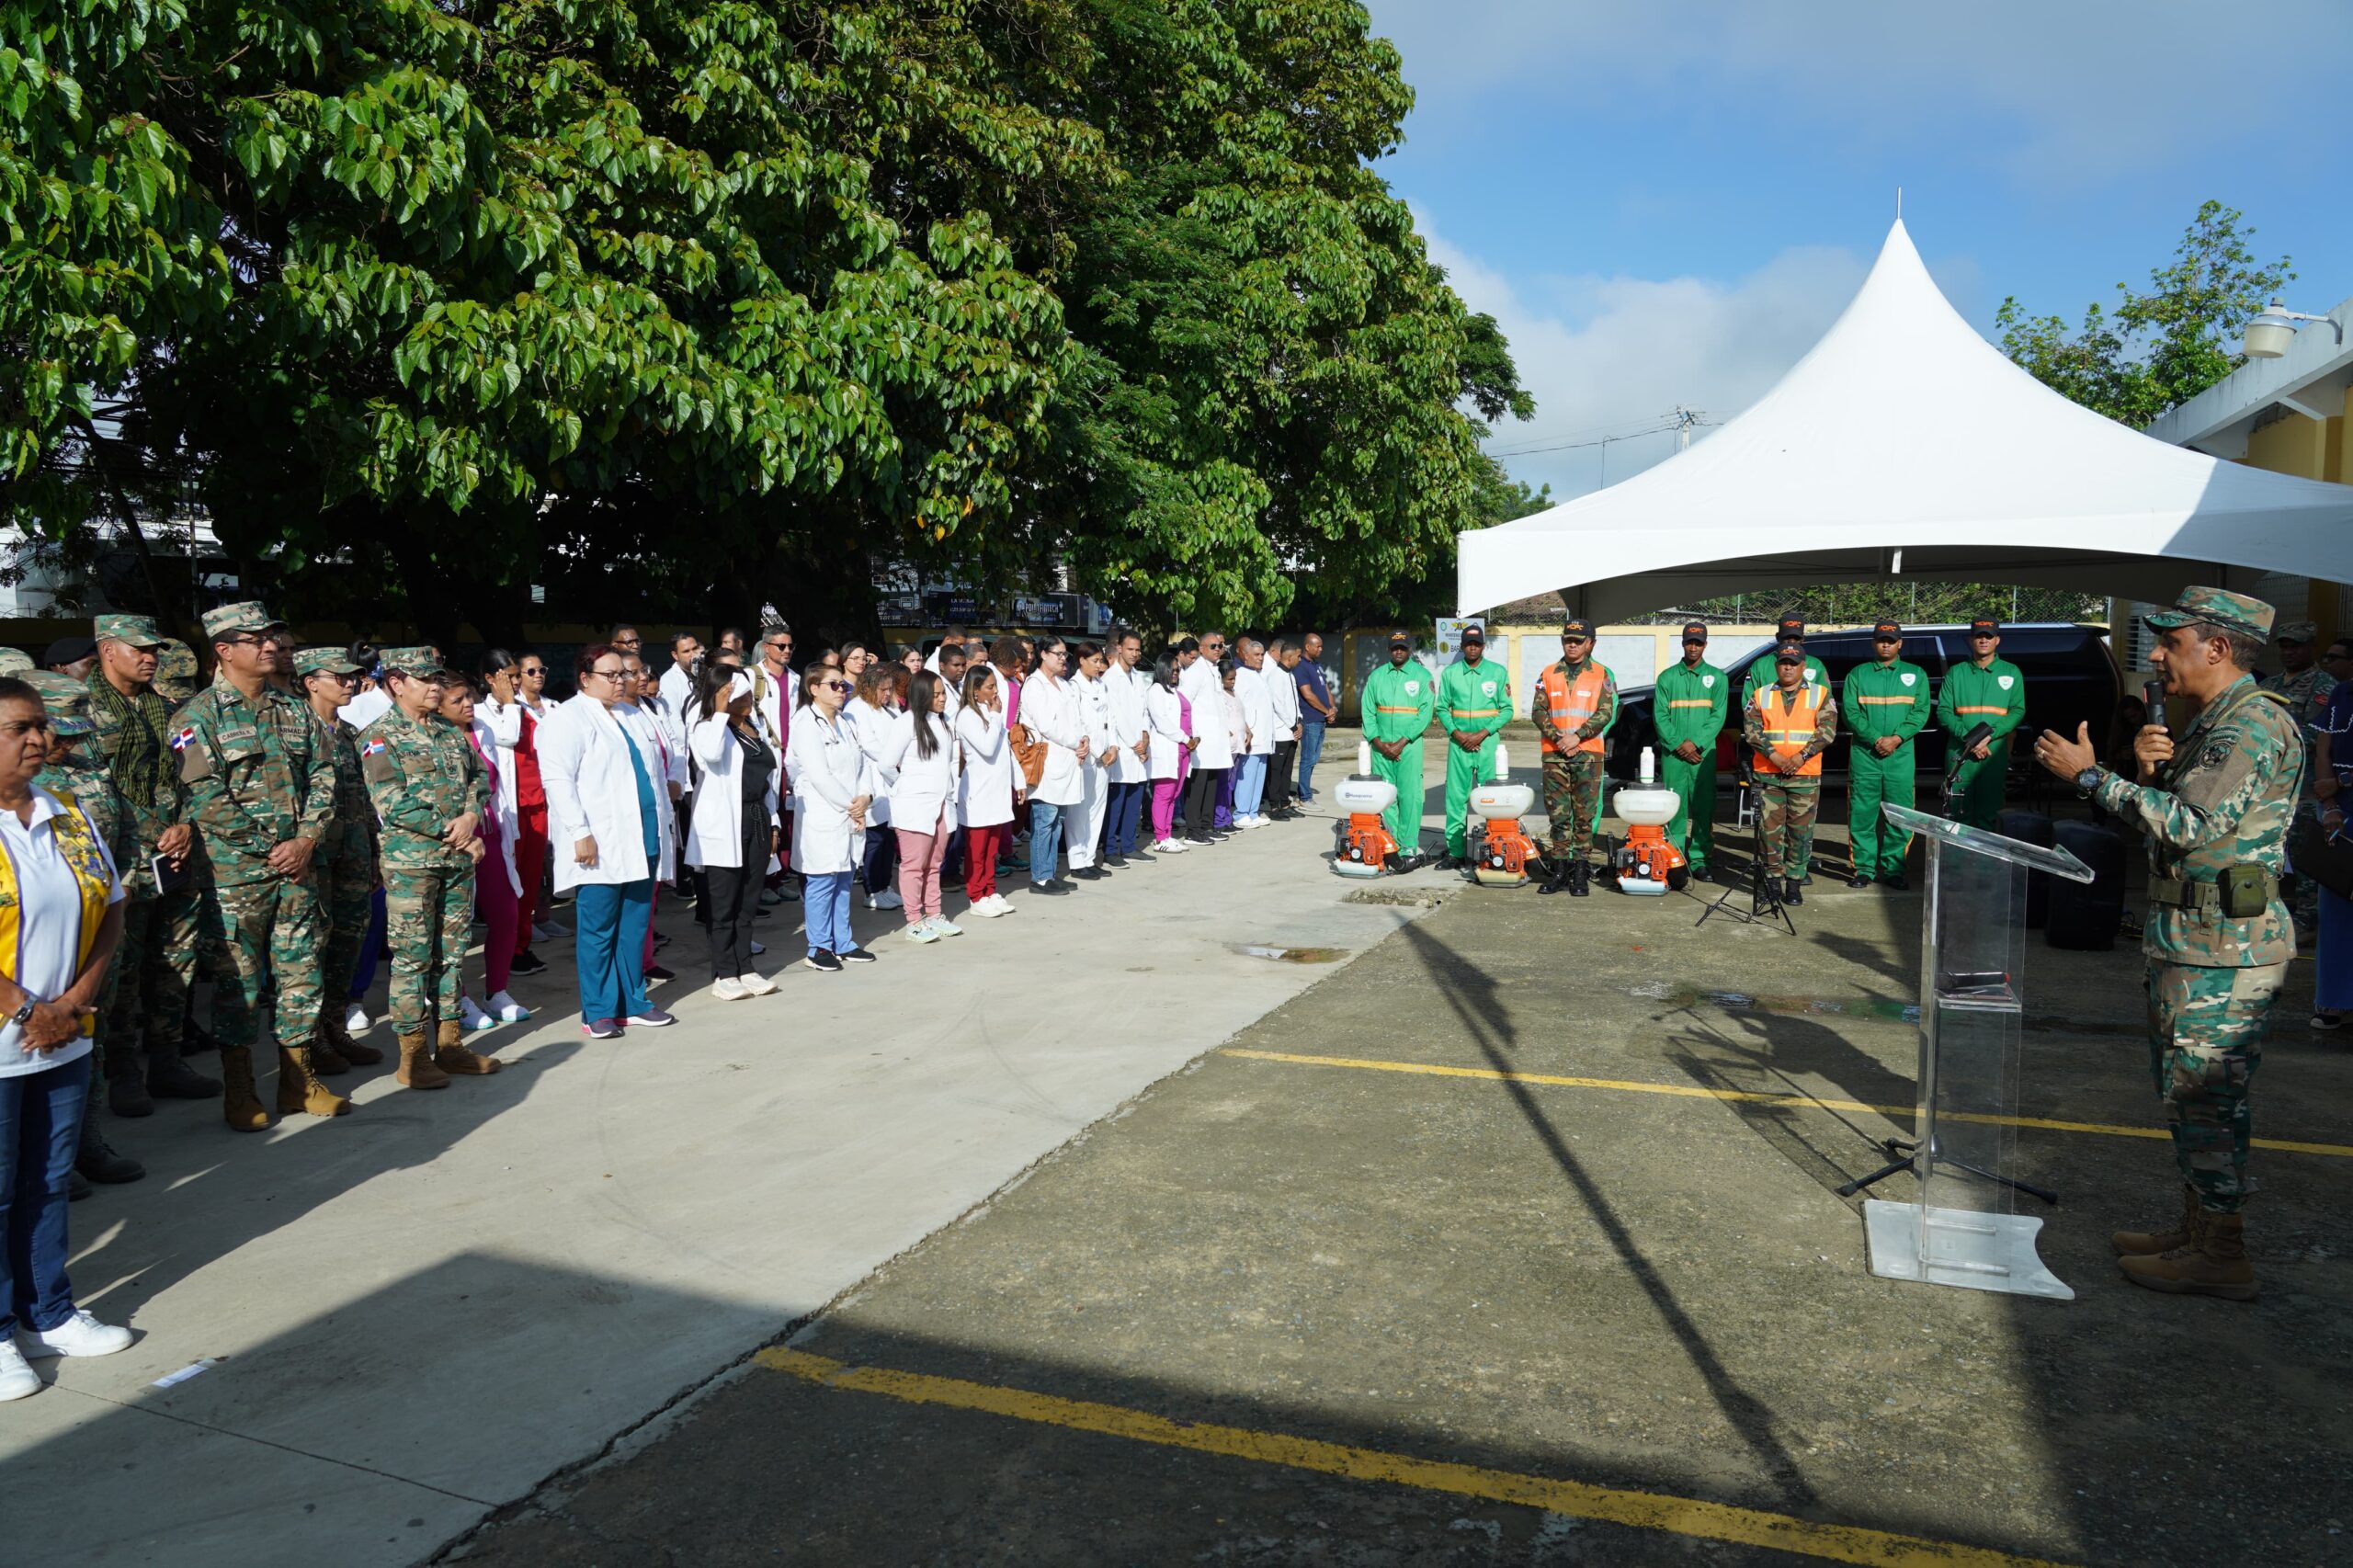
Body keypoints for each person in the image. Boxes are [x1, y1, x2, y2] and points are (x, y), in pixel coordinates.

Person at [2031, 587, 2300, 1301]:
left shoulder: (2253, 725)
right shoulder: (2216, 722)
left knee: (2208, 1101)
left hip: (2225, 951)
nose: (2154, 655)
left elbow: (2189, 827)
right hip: (2193, 941)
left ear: (2219, 648)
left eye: (2170, 643)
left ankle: (2222, 1253)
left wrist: (2092, 778)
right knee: (2185, 1097)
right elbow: (2174, 826)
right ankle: (2198, 1229)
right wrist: (2150, 774)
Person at [0, 675, 135, 1402]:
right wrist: (26, 1010)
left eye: (40, 725)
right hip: (11, 1037)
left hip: (64, 1036)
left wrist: (75, 1001)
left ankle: (46, 1314)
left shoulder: (67, 813)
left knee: (47, 1182)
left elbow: (111, 908)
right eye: (20, 727)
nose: (39, 739)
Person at [177, 603, 343, 1128]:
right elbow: (203, 795)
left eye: (272, 637)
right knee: (238, 986)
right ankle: (241, 1090)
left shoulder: (294, 709)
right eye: (256, 639)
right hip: (236, 877)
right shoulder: (196, 717)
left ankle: (298, 1082)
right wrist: (274, 847)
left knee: (302, 976)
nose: (270, 646)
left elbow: (324, 774)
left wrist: (307, 838)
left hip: (298, 869)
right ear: (224, 650)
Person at [83, 612, 213, 1117]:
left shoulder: (170, 709)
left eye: (153, 648)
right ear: (107, 649)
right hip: (124, 859)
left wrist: (184, 824)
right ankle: (122, 1071)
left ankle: (167, 1060)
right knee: (123, 970)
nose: (150, 657)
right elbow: (93, 788)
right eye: (138, 648)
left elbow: (195, 772)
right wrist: (154, 828)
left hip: (177, 854)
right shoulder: (84, 710)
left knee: (175, 962)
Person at [358, 649, 505, 1085]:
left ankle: (451, 1044)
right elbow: (391, 800)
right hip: (412, 865)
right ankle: (413, 1056)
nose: (435, 688)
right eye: (424, 680)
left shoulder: (447, 730)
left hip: (455, 861)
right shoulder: (379, 736)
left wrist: (471, 816)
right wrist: (453, 830)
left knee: (452, 955)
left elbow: (479, 777)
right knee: (412, 960)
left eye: (437, 680)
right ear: (397, 683)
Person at [27, 674, 142, 1196]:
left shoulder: (89, 769)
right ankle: (44, 1157)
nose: (66, 743)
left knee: (87, 1036)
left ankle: (85, 1142)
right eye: (58, 733)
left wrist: (127, 884)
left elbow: (125, 832)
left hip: (95, 935)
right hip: (30, 948)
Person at [539, 644, 676, 1038]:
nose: (621, 681)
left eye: (624, 674)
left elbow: (653, 774)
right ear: (585, 678)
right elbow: (558, 781)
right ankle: (597, 1010)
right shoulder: (566, 719)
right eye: (611, 675)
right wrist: (579, 832)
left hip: (644, 836)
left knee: (634, 926)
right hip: (600, 841)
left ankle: (633, 1002)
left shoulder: (634, 714)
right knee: (599, 929)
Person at [291, 647, 387, 1073]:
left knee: (347, 946)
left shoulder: (349, 732)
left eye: (352, 677)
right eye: (340, 677)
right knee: (311, 950)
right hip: (314, 859)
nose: (350, 683)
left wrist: (374, 852)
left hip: (353, 855)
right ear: (311, 682)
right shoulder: (293, 730)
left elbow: (365, 797)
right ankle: (310, 1041)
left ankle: (334, 1030)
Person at [684, 667, 780, 999]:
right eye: (738, 694)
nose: (747, 699)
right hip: (724, 823)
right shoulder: (707, 728)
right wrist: (720, 711)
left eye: (749, 693)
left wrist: (774, 821)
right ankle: (724, 973)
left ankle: (746, 967)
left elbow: (767, 779)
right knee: (724, 902)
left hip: (756, 816)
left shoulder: (755, 728)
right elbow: (710, 756)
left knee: (748, 900)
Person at [447, 676, 529, 1028]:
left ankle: (496, 992)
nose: (469, 704)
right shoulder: (432, 738)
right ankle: (458, 998)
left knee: (506, 914)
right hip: (453, 839)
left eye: (469, 696)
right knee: (456, 926)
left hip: (491, 832)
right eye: (458, 700)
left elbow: (496, 783)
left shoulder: (483, 730)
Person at [788, 660, 876, 968]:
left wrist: (865, 796)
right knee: (822, 881)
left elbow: (862, 763)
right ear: (814, 688)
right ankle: (819, 947)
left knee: (844, 880)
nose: (842, 690)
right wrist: (852, 806)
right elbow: (819, 775)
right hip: (824, 812)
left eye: (845, 685)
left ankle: (844, 942)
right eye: (834, 685)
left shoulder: (846, 721)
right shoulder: (805, 723)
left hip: (851, 812)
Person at [1744, 642, 1837, 905]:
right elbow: (1752, 730)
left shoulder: (1820, 694)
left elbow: (1827, 731)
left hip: (1804, 775)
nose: (1788, 667)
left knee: (1801, 833)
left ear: (1803, 667)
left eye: (1793, 664)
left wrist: (1800, 756)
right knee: (1769, 833)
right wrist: (1774, 756)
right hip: (1768, 775)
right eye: (1784, 662)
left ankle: (1794, 883)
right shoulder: (1760, 694)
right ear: (1776, 666)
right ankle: (1772, 882)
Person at [1842, 619, 1931, 890]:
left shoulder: (1916, 674)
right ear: (1874, 643)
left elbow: (1921, 712)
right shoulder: (1858, 674)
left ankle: (1894, 870)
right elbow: (1850, 712)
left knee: (1900, 814)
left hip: (1899, 757)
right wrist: (1875, 738)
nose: (1885, 645)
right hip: (1865, 755)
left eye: (1891, 641)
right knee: (1862, 813)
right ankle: (1864, 869)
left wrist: (1896, 738)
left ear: (1899, 644)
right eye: (1881, 640)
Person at [1532, 619, 1615, 895]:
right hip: (1554, 754)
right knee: (1558, 815)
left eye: (1578, 641)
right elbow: (1538, 712)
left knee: (1583, 816)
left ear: (1590, 643)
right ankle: (1559, 870)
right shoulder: (1548, 673)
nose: (1572, 645)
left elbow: (1606, 712)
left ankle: (1580, 872)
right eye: (1568, 640)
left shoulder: (1601, 674)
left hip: (1587, 754)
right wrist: (1559, 738)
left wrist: (1577, 736)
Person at [483, 649, 554, 972]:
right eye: (508, 677)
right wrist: (510, 703)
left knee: (529, 879)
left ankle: (522, 945)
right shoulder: (481, 713)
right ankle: (509, 949)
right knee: (510, 885)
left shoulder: (528, 710)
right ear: (490, 679)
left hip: (536, 804)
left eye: (516, 676)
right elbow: (508, 736)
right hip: (508, 809)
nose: (514, 682)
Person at [881, 670, 961, 939]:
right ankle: (914, 921)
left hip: (942, 804)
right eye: (936, 694)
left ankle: (934, 914)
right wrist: (906, 787)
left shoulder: (944, 722)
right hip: (915, 806)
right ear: (922, 695)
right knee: (914, 866)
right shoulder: (906, 723)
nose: (942, 699)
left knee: (934, 864)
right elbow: (886, 765)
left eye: (943, 693)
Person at [1653, 622, 1728, 885]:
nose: (1693, 647)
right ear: (1682, 643)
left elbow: (1718, 716)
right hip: (1674, 755)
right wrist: (1678, 745)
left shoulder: (1717, 678)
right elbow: (1660, 716)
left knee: (1703, 808)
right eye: (1689, 642)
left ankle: (1700, 860)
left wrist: (1695, 743)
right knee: (1674, 808)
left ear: (1705, 645)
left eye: (1698, 643)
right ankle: (1674, 860)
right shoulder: (1667, 678)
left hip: (1703, 755)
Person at [1937, 615, 2024, 829]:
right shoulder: (1956, 673)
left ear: (1997, 640)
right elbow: (1944, 711)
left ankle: (1987, 852)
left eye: (1989, 636)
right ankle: (1957, 852)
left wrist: (1989, 735)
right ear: (1971, 640)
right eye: (1978, 636)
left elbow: (2017, 710)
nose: (1983, 640)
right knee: (1957, 814)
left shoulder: (2011, 672)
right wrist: (1971, 740)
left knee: (1990, 814)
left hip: (1993, 753)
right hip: (1960, 754)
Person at [1435, 624, 1511, 869]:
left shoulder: (1497, 672)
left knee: (1492, 799)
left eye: (1477, 644)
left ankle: (1493, 850)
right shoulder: (1451, 673)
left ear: (1483, 646)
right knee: (1455, 799)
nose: (1473, 648)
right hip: (1459, 745)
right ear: (1462, 646)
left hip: (1487, 744)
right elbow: (1441, 708)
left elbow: (1507, 709)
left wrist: (1481, 734)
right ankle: (1456, 852)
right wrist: (1457, 733)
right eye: (1468, 644)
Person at [1359, 631, 1435, 869]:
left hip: (1409, 746)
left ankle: (1408, 845)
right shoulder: (1377, 676)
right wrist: (1377, 741)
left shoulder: (1422, 676)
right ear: (1388, 650)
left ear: (1409, 649)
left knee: (1410, 796)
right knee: (1386, 797)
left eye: (1402, 647)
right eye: (1394, 648)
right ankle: (1391, 843)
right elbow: (1368, 711)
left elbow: (1425, 714)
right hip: (1381, 748)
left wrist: (1402, 742)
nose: (1398, 651)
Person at [1017, 636, 1086, 894]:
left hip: (1068, 760)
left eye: (1065, 654)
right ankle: (1040, 878)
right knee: (1044, 819)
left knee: (1058, 821)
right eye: (1058, 653)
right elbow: (1047, 725)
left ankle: (1051, 872)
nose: (1062, 659)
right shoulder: (1034, 685)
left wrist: (1084, 739)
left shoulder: (1064, 685)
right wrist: (1076, 742)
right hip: (1048, 761)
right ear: (1043, 654)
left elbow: (1078, 718)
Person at [957, 665, 1021, 913]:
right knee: (977, 848)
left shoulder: (991, 714)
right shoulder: (967, 716)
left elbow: (1005, 750)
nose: (995, 691)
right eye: (990, 687)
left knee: (992, 847)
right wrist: (996, 716)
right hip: (979, 791)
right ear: (975, 690)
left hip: (998, 790)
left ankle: (989, 889)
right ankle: (975, 895)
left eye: (995, 686)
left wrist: (1019, 781)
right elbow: (987, 746)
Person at [846, 664, 904, 911]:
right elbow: (868, 743)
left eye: (890, 689)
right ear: (869, 688)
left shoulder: (888, 709)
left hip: (890, 778)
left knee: (888, 838)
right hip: (872, 778)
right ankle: (871, 890)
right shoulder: (856, 708)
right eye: (883, 690)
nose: (888, 694)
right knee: (875, 839)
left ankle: (884, 886)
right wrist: (895, 760)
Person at [1098, 629, 1150, 866]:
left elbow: (1144, 711)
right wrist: (1135, 744)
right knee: (1116, 802)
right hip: (1122, 747)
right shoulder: (1110, 678)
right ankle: (1110, 851)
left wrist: (1145, 736)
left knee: (1134, 800)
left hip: (1139, 749)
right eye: (1130, 649)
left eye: (1138, 650)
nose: (1134, 654)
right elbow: (1115, 716)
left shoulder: (1138, 677)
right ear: (1119, 648)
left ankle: (1129, 846)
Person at [1064, 643, 1115, 878]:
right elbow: (1079, 723)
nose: (1098, 665)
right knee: (1080, 811)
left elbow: (1110, 718)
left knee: (1097, 809)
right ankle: (1077, 861)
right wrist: (1097, 752)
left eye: (1100, 661)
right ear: (1081, 660)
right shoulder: (1073, 687)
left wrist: (1113, 745)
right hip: (1087, 756)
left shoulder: (1101, 685)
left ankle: (1089, 857)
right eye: (1094, 661)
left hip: (1105, 756)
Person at [1176, 632, 1233, 843]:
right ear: (1201, 649)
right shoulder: (1196, 671)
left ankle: (1207, 825)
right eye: (1213, 646)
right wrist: (1191, 733)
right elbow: (1184, 702)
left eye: (1220, 646)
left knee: (1211, 783)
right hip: (1201, 739)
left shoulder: (1214, 670)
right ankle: (1193, 829)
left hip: (1215, 738)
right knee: (1198, 784)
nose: (1218, 649)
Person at [1143, 652, 1192, 855]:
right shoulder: (1155, 691)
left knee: (1173, 795)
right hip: (1168, 747)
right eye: (1171, 670)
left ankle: (1167, 833)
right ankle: (1160, 837)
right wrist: (1185, 738)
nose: (1175, 673)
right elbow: (1162, 721)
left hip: (1181, 749)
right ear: (1162, 669)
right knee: (1163, 795)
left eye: (1177, 670)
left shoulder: (1174, 690)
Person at [1231, 640, 1279, 829]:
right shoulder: (1241, 675)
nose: (1260, 658)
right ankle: (1241, 813)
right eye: (1256, 655)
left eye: (1262, 654)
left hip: (1264, 736)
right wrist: (1246, 729)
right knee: (1247, 776)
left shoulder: (1259, 675)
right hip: (1252, 735)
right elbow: (1237, 706)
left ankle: (1252, 811)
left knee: (1258, 777)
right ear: (1245, 655)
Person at [1739, 612, 1827, 710]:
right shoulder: (1760, 665)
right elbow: (1748, 704)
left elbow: (1826, 703)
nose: (1792, 642)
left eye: (1796, 638)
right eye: (1787, 637)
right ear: (1777, 637)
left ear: (1803, 639)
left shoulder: (1816, 665)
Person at [1294, 631, 1334, 805]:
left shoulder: (1316, 665)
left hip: (1321, 719)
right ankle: (1304, 797)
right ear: (1307, 646)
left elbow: (1326, 688)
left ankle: (1304, 792)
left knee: (1314, 759)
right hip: (1310, 720)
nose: (1320, 649)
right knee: (1308, 759)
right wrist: (1326, 711)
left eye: (1321, 646)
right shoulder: (1301, 666)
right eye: (1317, 646)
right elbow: (1308, 695)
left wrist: (1332, 709)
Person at [1265, 637, 1302, 821]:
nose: (1300, 660)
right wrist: (1292, 725)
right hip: (1281, 732)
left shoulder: (1290, 675)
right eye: (1298, 656)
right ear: (1289, 657)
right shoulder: (1275, 675)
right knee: (1276, 771)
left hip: (1292, 731)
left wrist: (1299, 720)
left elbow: (1294, 702)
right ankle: (1274, 807)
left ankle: (1285, 803)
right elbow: (1278, 704)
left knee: (1287, 770)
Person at [658, 631, 703, 714]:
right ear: (675, 655)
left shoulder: (709, 672)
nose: (693, 654)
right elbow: (674, 718)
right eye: (686, 651)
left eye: (695, 648)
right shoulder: (668, 680)